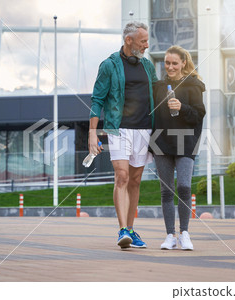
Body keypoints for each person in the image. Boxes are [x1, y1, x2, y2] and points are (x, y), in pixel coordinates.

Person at [88, 21, 158, 249]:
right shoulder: (109, 65)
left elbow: (157, 96)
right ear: (129, 40)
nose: (147, 45)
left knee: (135, 180)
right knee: (122, 176)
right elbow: (97, 99)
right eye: (143, 41)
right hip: (117, 128)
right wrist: (92, 133)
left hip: (144, 129)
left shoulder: (148, 67)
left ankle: (131, 229)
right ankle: (122, 230)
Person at [151, 45, 206, 250]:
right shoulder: (158, 86)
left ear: (183, 63)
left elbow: (199, 114)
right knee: (166, 191)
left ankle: (184, 233)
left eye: (175, 63)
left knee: (184, 187)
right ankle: (169, 236)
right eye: (167, 63)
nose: (170, 67)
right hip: (161, 142)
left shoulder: (194, 85)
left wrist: (182, 107)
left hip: (185, 142)